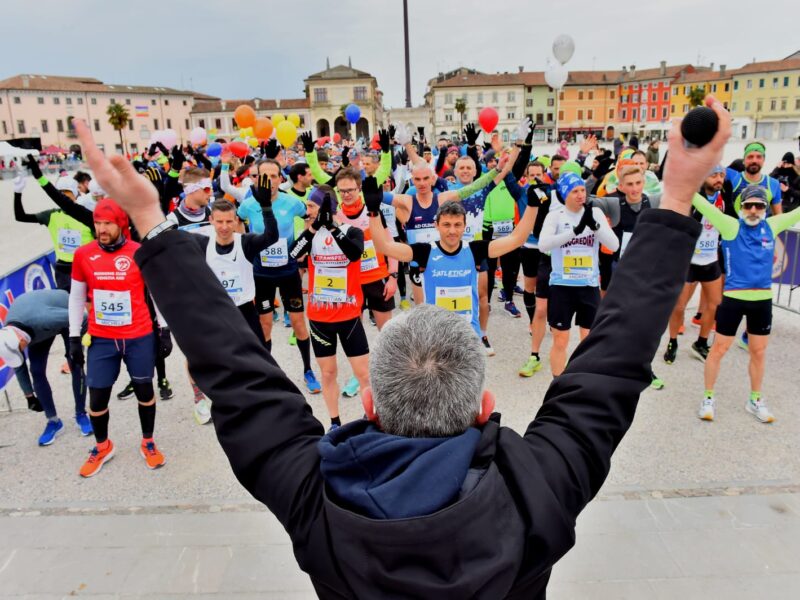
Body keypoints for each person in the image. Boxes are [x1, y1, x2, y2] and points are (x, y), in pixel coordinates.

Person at [73, 92, 728, 598]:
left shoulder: (319, 495)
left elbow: (239, 378)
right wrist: (675, 200)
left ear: (373, 409)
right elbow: (611, 368)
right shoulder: (535, 488)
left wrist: (152, 226)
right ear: (484, 403)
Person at [68, 198, 168, 477]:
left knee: (145, 392)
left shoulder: (139, 252)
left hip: (138, 335)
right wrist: (74, 337)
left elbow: (156, 292)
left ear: (121, 224)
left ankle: (148, 442)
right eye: (98, 223)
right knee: (97, 398)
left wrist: (164, 329)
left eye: (107, 223)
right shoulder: (83, 255)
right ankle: (102, 446)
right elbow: (76, 298)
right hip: (102, 337)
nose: (101, 228)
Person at [369, 182, 537, 338]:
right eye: (446, 225)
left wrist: (532, 206)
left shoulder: (474, 249)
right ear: (437, 226)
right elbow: (383, 246)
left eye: (457, 225)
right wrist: (373, 212)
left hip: (468, 334)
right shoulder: (425, 251)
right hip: (436, 335)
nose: (452, 231)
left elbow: (516, 239)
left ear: (465, 226)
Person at [691, 185, 800, 423]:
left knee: (758, 352)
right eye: (748, 205)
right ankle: (708, 398)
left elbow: (797, 213)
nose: (753, 210)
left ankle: (755, 399)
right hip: (734, 299)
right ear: (740, 207)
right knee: (718, 349)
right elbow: (700, 203)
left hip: (762, 301)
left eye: (759, 205)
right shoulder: (731, 225)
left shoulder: (771, 226)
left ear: (765, 209)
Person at [289, 188, 366, 429]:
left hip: (349, 315)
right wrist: (313, 229)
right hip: (320, 317)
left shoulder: (351, 230)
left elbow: (354, 254)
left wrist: (332, 227)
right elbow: (294, 253)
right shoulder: (309, 234)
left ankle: (371, 418)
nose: (308, 211)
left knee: (363, 374)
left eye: (312, 206)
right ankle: (334, 422)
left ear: (326, 208)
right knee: (328, 373)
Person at [538, 172, 620, 377]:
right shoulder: (556, 215)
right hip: (562, 286)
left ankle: (585, 381)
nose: (580, 195)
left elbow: (614, 245)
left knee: (589, 339)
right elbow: (543, 245)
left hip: (588, 286)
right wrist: (573, 233)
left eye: (582, 190)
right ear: (565, 194)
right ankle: (557, 383)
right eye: (575, 191)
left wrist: (596, 227)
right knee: (561, 339)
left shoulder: (596, 213)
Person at [0, 290, 90, 445]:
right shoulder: (9, 337)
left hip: (64, 311)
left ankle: (81, 413)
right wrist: (29, 395)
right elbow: (19, 365)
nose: (21, 352)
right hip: (37, 326)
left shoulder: (43, 319)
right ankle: (53, 421)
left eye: (21, 349)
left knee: (75, 362)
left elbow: (82, 317)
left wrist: (77, 344)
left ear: (21, 340)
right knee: (36, 370)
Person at [664, 165, 726, 364]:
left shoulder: (724, 198)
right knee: (679, 306)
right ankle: (672, 341)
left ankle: (701, 342)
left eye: (721, 175)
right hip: (689, 261)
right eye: (714, 175)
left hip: (711, 260)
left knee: (714, 304)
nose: (718, 179)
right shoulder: (692, 199)